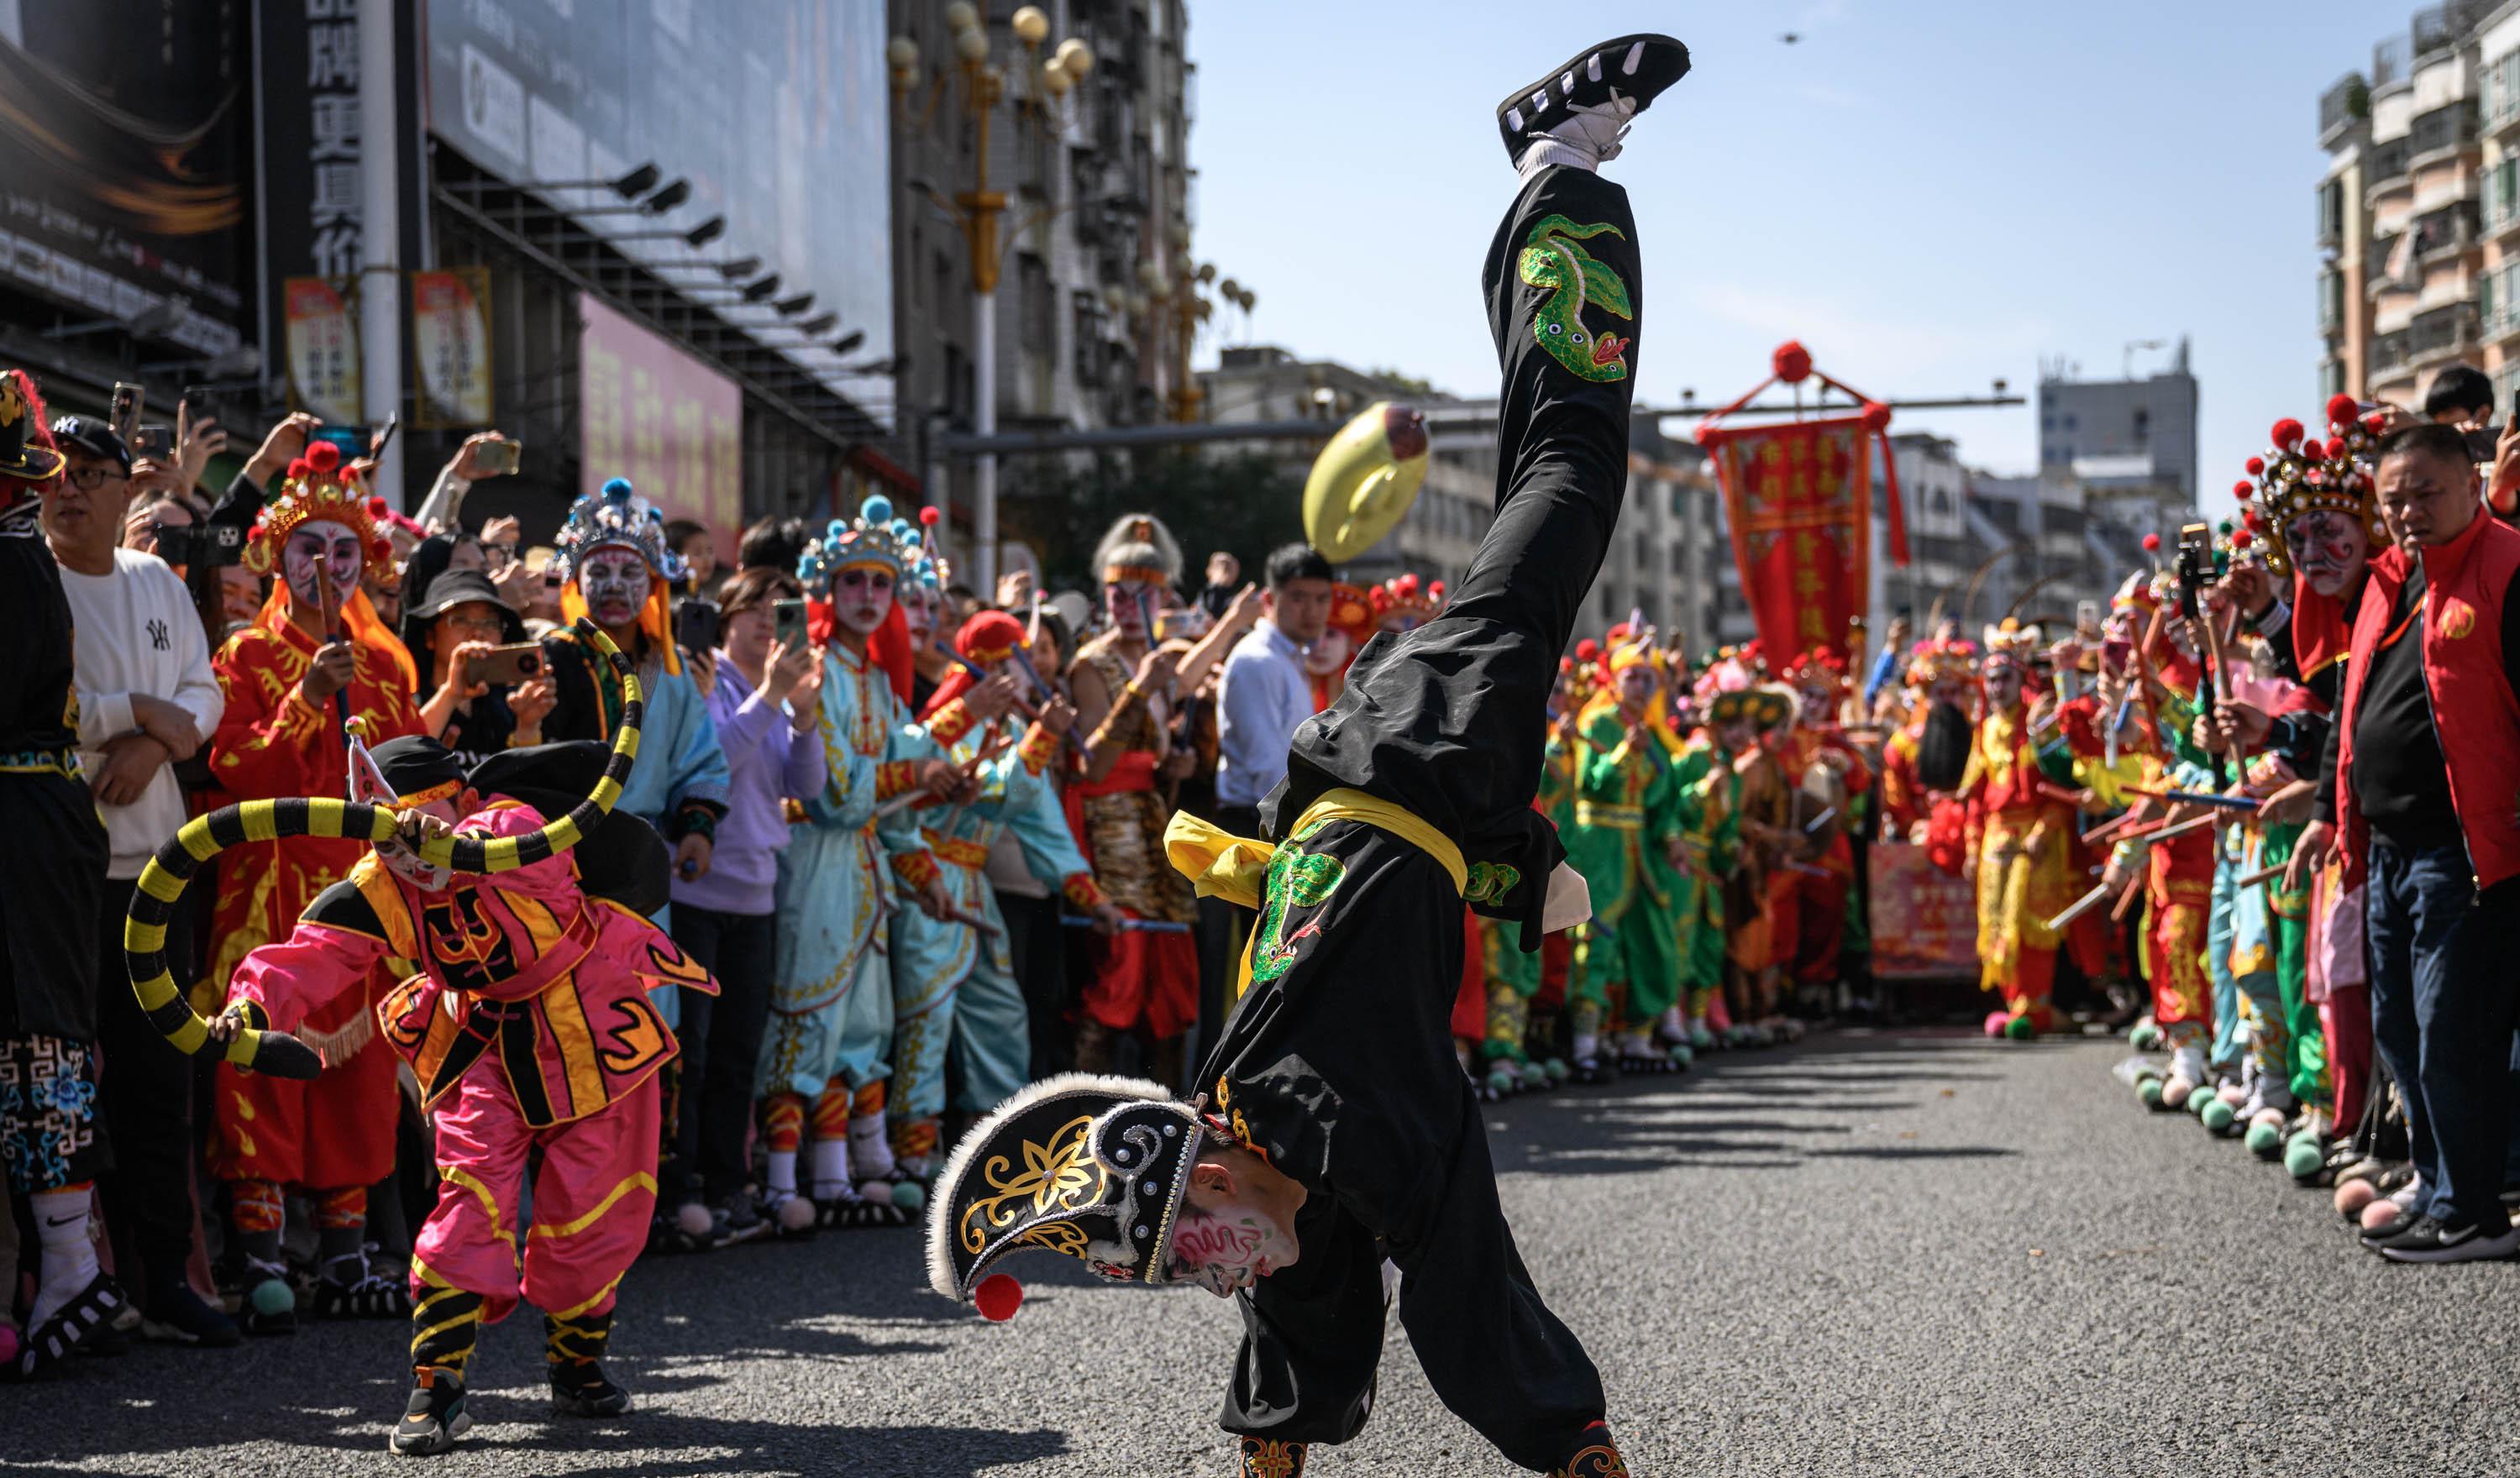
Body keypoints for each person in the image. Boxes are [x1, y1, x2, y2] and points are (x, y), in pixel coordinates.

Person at [930, 38, 1693, 1477]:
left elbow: (1462, 1267)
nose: (1228, 1269)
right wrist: (1520, 860)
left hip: (1417, 744)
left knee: (1571, 470)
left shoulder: (1327, 1108)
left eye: (1205, 1243)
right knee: (1547, 463)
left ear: (1209, 1168)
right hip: (1406, 778)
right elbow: (1306, 1283)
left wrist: (1571, 1443)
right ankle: (1545, 183)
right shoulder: (1270, 1123)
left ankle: (1556, 166)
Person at [204, 737, 711, 1452]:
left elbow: (520, 853)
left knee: (596, 1209)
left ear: (461, 799)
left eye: (411, 817)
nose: (402, 843)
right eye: (383, 823)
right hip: (479, 1044)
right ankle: (435, 1385)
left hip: (589, 1024)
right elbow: (312, 951)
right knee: (467, 1199)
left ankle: (577, 1363)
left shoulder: (509, 825)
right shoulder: (383, 881)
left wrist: (457, 841)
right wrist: (250, 1012)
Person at [202, 438, 423, 1333]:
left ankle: (344, 1252)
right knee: (260, 1063)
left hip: (359, 899)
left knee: (359, 1071)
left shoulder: (384, 667)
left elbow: (410, 771)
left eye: (343, 552)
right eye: (308, 550)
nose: (327, 567)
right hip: (268, 892)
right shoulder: (245, 656)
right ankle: (259, 1252)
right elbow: (233, 767)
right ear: (275, 560)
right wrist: (303, 695)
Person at [2293, 421, 2520, 1262]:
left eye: (2427, 492)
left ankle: (2473, 1212)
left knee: (2451, 1026)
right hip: (2384, 847)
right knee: (2399, 1026)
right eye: (2395, 498)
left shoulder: (2506, 565)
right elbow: (2351, 714)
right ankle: (2436, 1176)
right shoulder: (2391, 581)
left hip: (2463, 847)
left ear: (2473, 483)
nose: (2410, 512)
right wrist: (2326, 810)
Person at [40, 412, 238, 1348]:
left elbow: (206, 693)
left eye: (89, 471)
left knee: (161, 1083)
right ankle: (82, 1284)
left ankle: (166, 1280)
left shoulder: (155, 577)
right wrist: (134, 713)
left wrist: (155, 737)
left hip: (159, 875)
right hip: (59, 875)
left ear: (128, 490)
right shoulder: (24, 577)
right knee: (69, 1085)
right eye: (55, 470)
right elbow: (29, 701)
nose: (68, 486)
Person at [762, 499, 960, 1227]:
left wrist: (925, 873)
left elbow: (887, 804)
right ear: (828, 591)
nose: (870, 598)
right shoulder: (815, 672)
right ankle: (784, 1182)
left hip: (867, 870)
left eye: (883, 584)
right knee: (807, 1010)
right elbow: (839, 797)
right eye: (855, 583)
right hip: (816, 863)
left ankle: (846, 1167)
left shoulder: (878, 681)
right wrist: (917, 778)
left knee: (864, 1023)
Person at [890, 611, 1122, 1179]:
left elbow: (1037, 817)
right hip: (927, 879)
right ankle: (910, 1151)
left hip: (973, 887)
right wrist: (1021, 731)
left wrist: (1091, 897)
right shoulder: (946, 720)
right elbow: (943, 779)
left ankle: (991, 1150)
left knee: (1001, 1014)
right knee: (927, 1012)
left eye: (1015, 662)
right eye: (1000, 664)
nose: (1013, 676)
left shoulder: (1016, 732)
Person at [0, 370, 120, 1376]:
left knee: (41, 1034)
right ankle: (62, 1257)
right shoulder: (18, 554)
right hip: (36, 816)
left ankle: (72, 1258)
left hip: (26, 823)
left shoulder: (6, 561)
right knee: (32, 1035)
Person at [658, 567, 827, 1247]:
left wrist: (806, 715)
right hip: (695, 890)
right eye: (752, 609)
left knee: (737, 1053)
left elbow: (808, 786)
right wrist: (772, 697)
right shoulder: (703, 675)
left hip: (757, 893)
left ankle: (731, 1184)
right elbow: (709, 765)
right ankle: (685, 1188)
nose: (767, 622)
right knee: (689, 1053)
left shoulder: (777, 694)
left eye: (779, 610)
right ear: (725, 618)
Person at [538, 479, 731, 956]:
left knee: (642, 990)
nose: (615, 587)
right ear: (577, 582)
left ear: (653, 585)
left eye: (631, 573)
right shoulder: (553, 659)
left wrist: (697, 829)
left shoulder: (670, 667)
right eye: (599, 573)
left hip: (640, 856)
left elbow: (699, 758)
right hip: (559, 859)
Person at [1065, 516, 1202, 1085]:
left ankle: (1164, 1118)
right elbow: (1091, 763)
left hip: (1159, 838)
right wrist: (1141, 688)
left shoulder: (1163, 660)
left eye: (1141, 593)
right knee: (1116, 980)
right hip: (1112, 843)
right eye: (1117, 593)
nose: (1126, 604)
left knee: (1169, 988)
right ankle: (1080, 1118)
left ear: (1163, 596)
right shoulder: (1091, 664)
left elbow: (1154, 764)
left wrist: (1177, 770)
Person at [1215, 544, 1330, 839]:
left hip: (1277, 819)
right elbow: (1268, 769)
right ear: (1269, 598)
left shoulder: (1288, 657)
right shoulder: (1257, 660)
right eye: (1298, 598)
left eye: (1322, 599)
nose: (1312, 611)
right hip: (1258, 825)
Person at [406, 568, 557, 768]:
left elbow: (518, 788)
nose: (478, 632)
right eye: (460, 620)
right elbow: (400, 760)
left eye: (491, 623)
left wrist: (527, 726)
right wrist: (450, 695)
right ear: (430, 637)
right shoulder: (405, 698)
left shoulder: (510, 703)